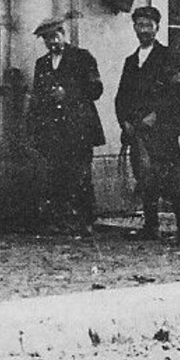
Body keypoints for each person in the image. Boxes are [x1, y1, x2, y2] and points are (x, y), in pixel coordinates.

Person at [114, 5, 180, 245]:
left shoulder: (168, 56)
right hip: (138, 129)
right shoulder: (131, 61)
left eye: (149, 25)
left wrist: (156, 113)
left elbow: (178, 89)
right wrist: (125, 121)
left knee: (173, 178)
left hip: (163, 128)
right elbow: (121, 95)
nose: (144, 30)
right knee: (144, 177)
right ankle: (151, 226)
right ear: (134, 28)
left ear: (157, 27)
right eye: (140, 25)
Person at [27, 16, 106, 236]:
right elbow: (37, 96)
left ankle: (86, 220)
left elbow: (96, 90)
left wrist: (68, 93)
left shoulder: (83, 58)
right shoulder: (41, 64)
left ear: (63, 33)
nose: (51, 42)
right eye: (46, 39)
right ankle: (60, 220)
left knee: (80, 174)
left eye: (54, 36)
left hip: (78, 127)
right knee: (56, 175)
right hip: (53, 129)